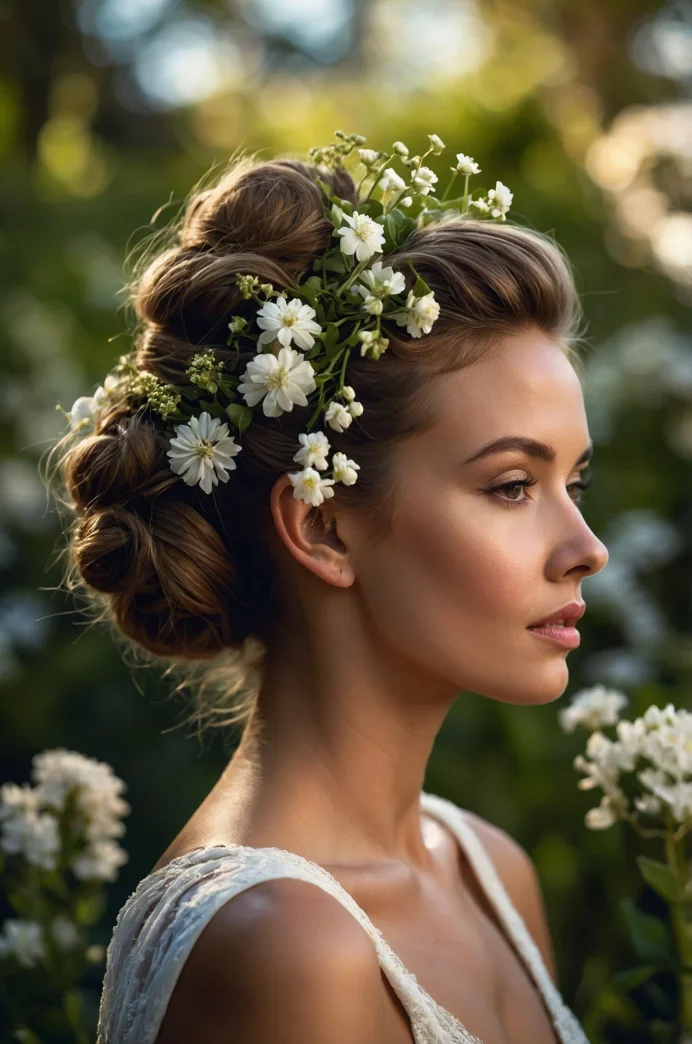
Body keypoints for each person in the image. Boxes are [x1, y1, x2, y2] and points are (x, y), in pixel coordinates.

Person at [51, 133, 607, 1043]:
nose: (587, 549)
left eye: (572, 485)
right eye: (512, 486)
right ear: (323, 525)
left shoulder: (491, 872)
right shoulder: (285, 948)